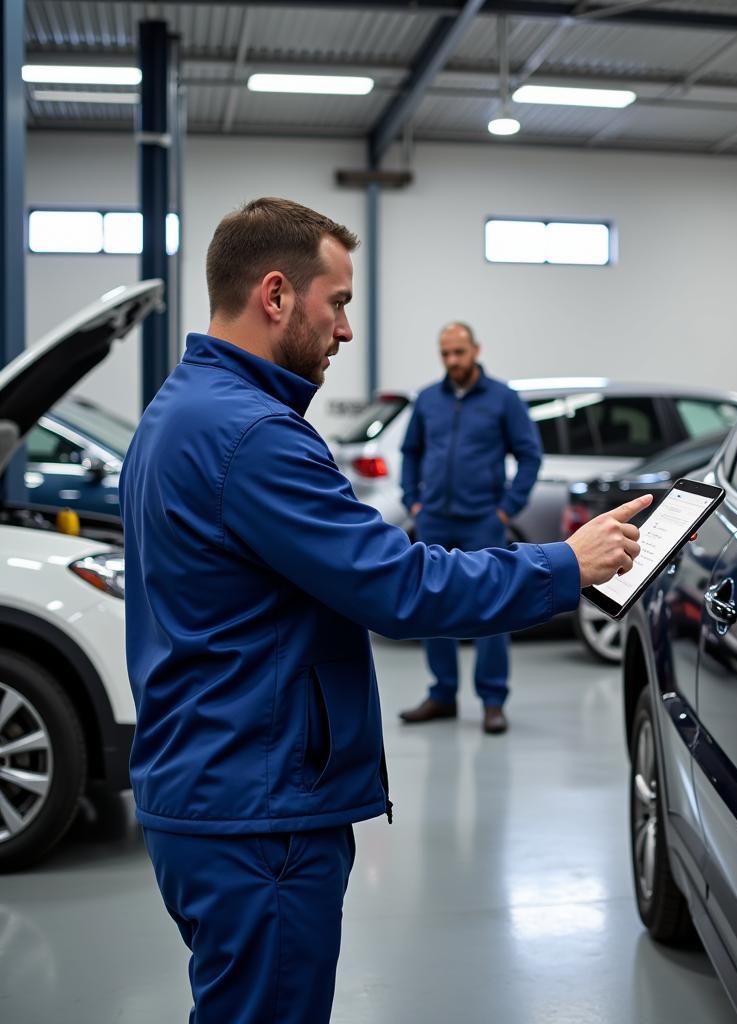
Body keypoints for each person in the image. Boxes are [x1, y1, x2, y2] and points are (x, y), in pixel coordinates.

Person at [119, 196, 649, 1024]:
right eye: (338, 303)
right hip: (258, 811)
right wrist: (565, 565)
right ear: (276, 295)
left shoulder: (176, 411)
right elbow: (399, 588)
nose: (346, 329)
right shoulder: (254, 436)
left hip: (207, 783)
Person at [397, 321, 541, 735]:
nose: (452, 361)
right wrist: (413, 502)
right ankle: (442, 695)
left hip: (483, 521)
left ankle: (493, 700)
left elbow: (529, 456)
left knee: (491, 607)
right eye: (445, 354)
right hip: (434, 520)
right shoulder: (427, 400)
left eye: (458, 352)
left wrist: (506, 509)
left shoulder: (502, 400)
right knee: (433, 606)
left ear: (475, 350)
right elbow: (411, 453)